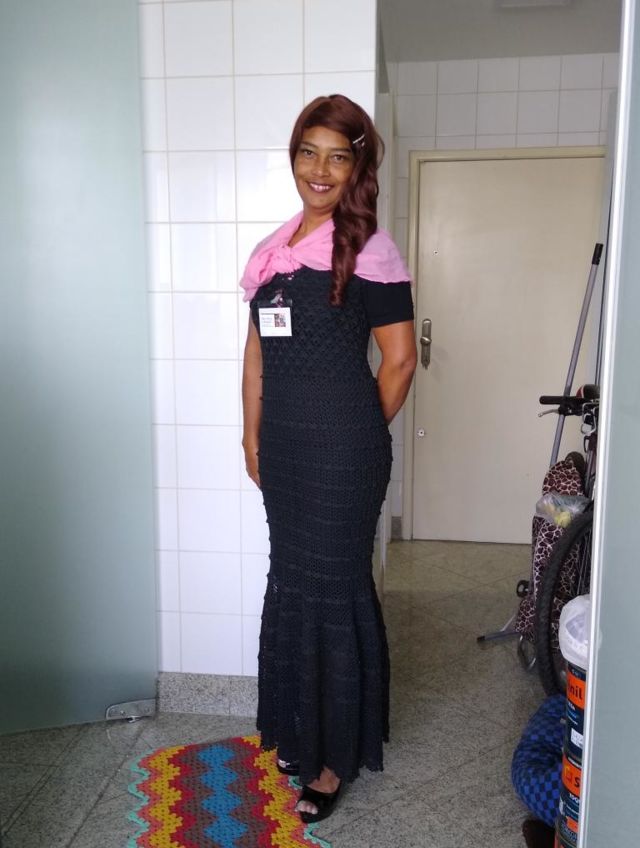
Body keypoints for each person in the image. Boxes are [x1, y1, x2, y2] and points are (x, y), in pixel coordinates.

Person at [240, 94, 417, 824]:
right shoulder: (274, 251)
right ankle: (300, 731)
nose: (320, 169)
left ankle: (334, 757)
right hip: (282, 451)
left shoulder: (370, 248)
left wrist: (353, 433)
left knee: (334, 589)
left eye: (337, 156)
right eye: (309, 151)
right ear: (293, 158)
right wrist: (251, 436)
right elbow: (257, 354)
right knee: (293, 582)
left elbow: (400, 361)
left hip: (343, 453)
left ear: (357, 167)